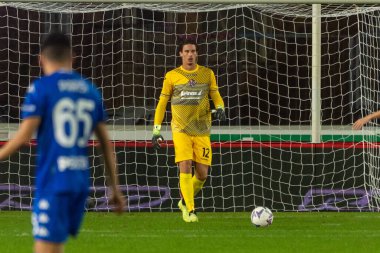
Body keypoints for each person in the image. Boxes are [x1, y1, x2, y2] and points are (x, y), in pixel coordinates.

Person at [0, 32, 126, 253]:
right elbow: (105, 143)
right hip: (79, 183)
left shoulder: (41, 89)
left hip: (54, 181)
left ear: (40, 59)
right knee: (56, 247)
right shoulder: (90, 90)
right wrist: (114, 187)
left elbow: (22, 137)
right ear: (72, 57)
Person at [152, 39, 226, 223]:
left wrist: (220, 107)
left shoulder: (207, 74)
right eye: (186, 51)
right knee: (184, 165)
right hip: (180, 129)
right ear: (180, 54)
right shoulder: (172, 76)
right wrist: (156, 129)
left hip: (202, 130)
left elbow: (216, 95)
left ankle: (184, 200)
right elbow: (162, 103)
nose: (190, 54)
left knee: (202, 174)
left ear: (197, 53)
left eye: (193, 51)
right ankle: (191, 210)